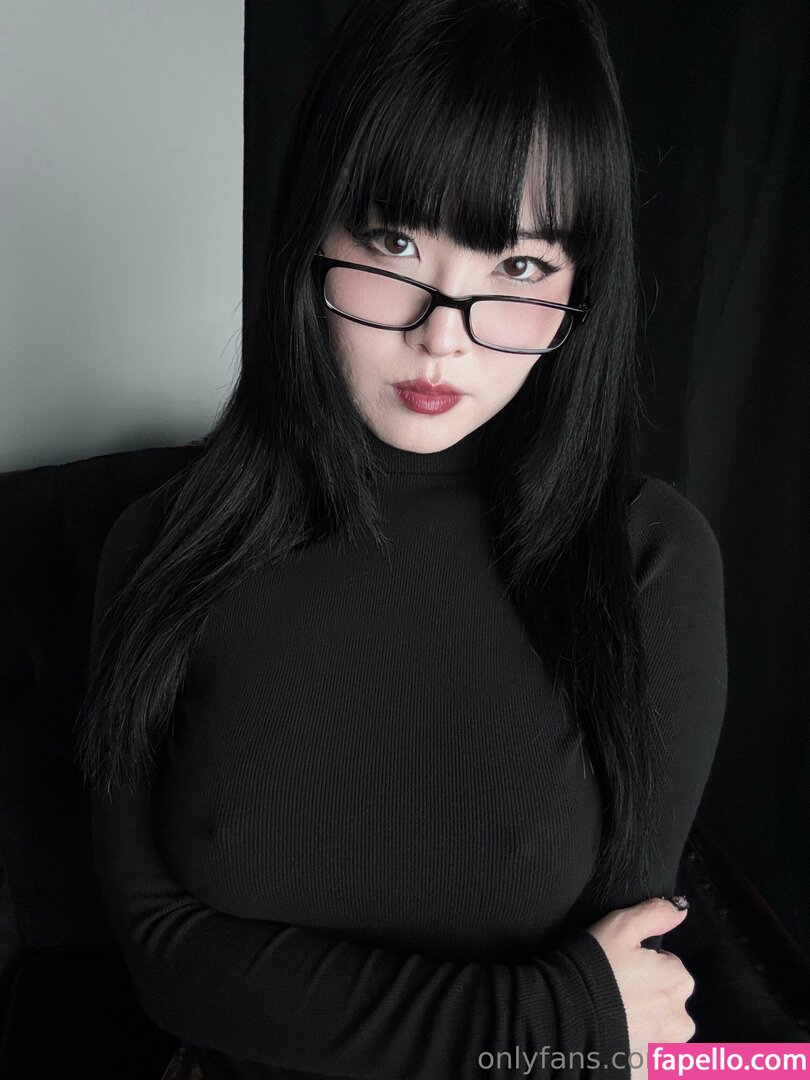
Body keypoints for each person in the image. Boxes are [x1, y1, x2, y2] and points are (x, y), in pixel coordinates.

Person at [74, 0, 727, 1078]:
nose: (441, 336)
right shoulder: (162, 546)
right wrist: (540, 1017)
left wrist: (568, 1024)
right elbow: (166, 960)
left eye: (518, 268)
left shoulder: (648, 560)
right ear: (312, 235)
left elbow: (627, 989)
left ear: (583, 284)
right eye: (395, 242)